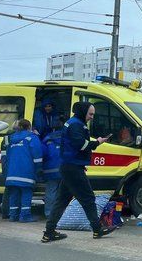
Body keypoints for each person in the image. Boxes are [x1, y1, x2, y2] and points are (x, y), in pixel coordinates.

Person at [42, 102, 115, 243]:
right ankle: (97, 229)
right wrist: (97, 142)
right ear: (83, 112)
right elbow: (81, 145)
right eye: (90, 114)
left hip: (70, 167)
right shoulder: (76, 124)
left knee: (61, 201)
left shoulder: (74, 122)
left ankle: (49, 232)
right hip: (72, 168)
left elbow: (76, 145)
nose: (92, 117)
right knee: (88, 198)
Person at [4, 119, 42, 222]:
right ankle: (25, 216)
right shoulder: (32, 138)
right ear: (29, 127)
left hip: (12, 171)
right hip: (26, 170)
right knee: (26, 192)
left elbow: (7, 155)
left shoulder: (11, 138)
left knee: (14, 194)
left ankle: (13, 216)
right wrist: (39, 169)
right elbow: (37, 155)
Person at [41, 118, 63, 217]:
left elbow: (43, 153)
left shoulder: (47, 139)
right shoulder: (67, 138)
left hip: (50, 170)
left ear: (52, 129)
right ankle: (61, 214)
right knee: (63, 193)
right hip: (64, 169)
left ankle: (49, 213)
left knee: (51, 192)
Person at [0, 120, 20, 219]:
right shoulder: (14, 137)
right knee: (11, 190)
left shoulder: (6, 137)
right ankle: (9, 211)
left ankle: (5, 212)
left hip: (5, 164)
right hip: (11, 165)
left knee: (8, 189)